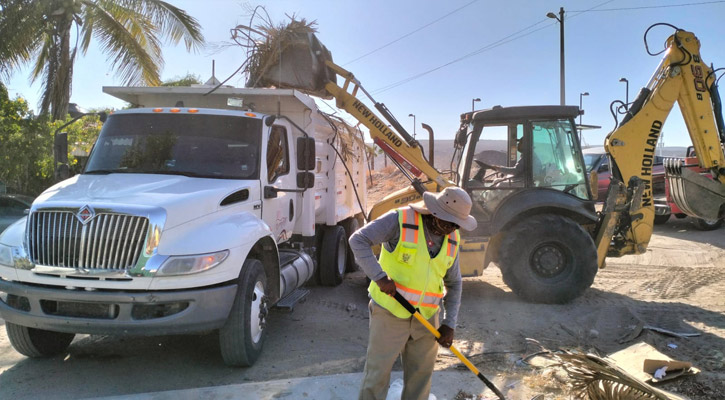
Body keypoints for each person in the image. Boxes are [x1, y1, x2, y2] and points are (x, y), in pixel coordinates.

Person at [349, 186, 477, 400]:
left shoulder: (453, 239)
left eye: (456, 225)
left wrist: (449, 323)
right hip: (390, 312)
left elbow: (454, 283)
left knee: (420, 378)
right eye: (447, 222)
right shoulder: (399, 220)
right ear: (435, 212)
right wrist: (379, 277)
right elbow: (358, 240)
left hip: (427, 318)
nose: (450, 229)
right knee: (377, 375)